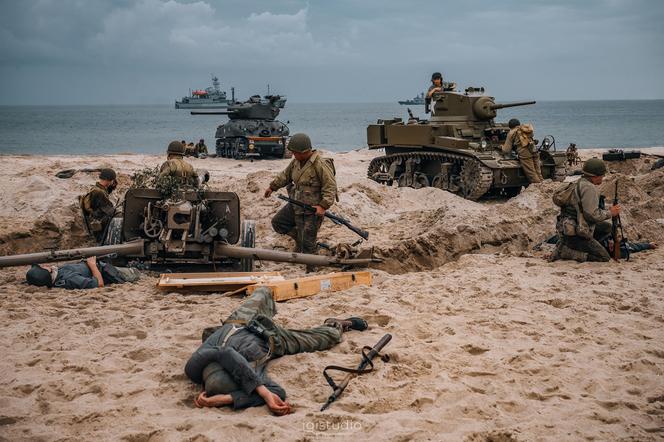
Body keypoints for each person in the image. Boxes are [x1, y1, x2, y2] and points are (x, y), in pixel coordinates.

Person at [184, 286, 368, 415]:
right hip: (274, 339)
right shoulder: (251, 379)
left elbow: (226, 354)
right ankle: (339, 324)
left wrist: (262, 393)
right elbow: (278, 393)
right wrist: (225, 400)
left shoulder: (194, 367)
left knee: (264, 291)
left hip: (240, 321)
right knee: (326, 337)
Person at [263, 133, 337, 264]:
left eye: (295, 152)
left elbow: (330, 186)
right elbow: (285, 176)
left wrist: (323, 206)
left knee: (308, 247)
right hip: (295, 205)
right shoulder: (296, 162)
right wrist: (272, 187)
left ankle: (311, 267)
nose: (293, 155)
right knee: (278, 223)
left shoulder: (320, 164)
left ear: (304, 152)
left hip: (311, 210)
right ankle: (299, 237)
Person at [550, 158, 621, 262]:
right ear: (595, 176)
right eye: (602, 175)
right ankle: (566, 252)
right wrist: (610, 213)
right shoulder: (589, 188)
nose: (602, 178)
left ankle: (568, 245)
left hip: (567, 229)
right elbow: (592, 215)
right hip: (578, 233)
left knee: (606, 227)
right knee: (604, 257)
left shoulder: (578, 183)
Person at [25, 256, 140, 290]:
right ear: (48, 274)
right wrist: (92, 265)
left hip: (99, 266)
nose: (45, 266)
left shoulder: (55, 275)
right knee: (136, 272)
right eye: (44, 268)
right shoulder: (69, 279)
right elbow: (98, 284)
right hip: (105, 272)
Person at [80, 168, 117, 244]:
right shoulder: (99, 192)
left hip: (97, 221)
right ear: (109, 179)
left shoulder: (97, 189)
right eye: (112, 180)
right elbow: (109, 210)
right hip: (100, 224)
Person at [502, 118, 543, 183]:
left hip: (524, 152)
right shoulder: (524, 129)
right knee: (538, 170)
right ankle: (543, 184)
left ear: (510, 126)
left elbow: (506, 150)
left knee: (531, 172)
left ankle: (538, 186)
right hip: (534, 149)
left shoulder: (511, 132)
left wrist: (501, 147)